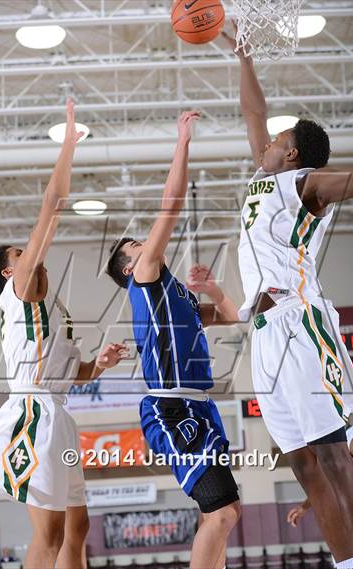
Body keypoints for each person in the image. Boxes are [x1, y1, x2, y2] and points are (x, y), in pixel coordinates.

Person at [222, 21, 353, 569]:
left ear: (293, 157)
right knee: (303, 464)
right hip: (263, 335)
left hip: (299, 321)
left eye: (278, 142)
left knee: (334, 456)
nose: (267, 142)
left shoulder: (305, 184)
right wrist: (243, 55)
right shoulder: (265, 180)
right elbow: (252, 113)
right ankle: (346, 562)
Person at [0, 100, 127, 569]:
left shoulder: (50, 307)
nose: (30, 254)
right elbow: (52, 206)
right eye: (20, 252)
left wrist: (98, 365)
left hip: (56, 410)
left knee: (76, 527)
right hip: (31, 411)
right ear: (9, 270)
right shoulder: (19, 288)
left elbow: (72, 373)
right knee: (47, 534)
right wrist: (68, 144)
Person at [106, 111, 241, 569]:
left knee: (225, 514)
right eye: (135, 246)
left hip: (201, 406)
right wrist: (182, 143)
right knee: (221, 514)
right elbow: (172, 205)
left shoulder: (175, 294)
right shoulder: (145, 279)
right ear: (130, 267)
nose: (144, 244)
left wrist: (215, 290)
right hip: (170, 407)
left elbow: (229, 316)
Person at [287, 423, 353, 554]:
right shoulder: (324, 442)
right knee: (345, 562)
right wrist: (304, 506)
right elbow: (326, 484)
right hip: (340, 504)